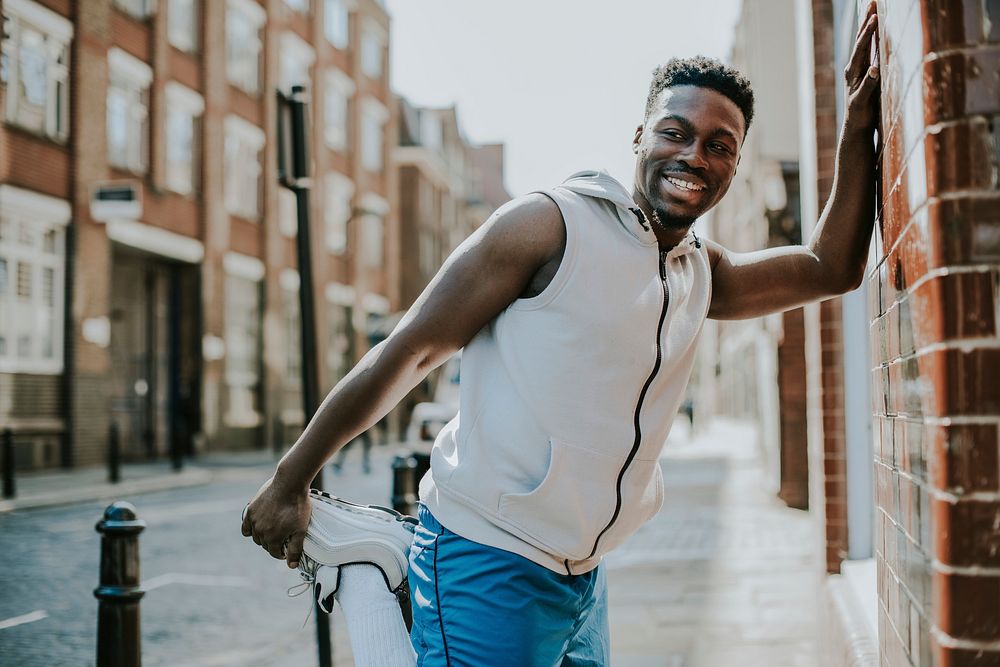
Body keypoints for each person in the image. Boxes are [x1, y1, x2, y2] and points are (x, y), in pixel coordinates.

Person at [242, 6, 881, 664]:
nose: (694, 154)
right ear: (640, 135)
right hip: (490, 555)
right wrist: (292, 478)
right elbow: (409, 352)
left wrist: (859, 124)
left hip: (585, 577)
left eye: (719, 145)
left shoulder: (698, 272)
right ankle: (382, 576)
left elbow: (830, 267)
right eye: (676, 132)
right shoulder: (549, 226)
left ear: (735, 166)